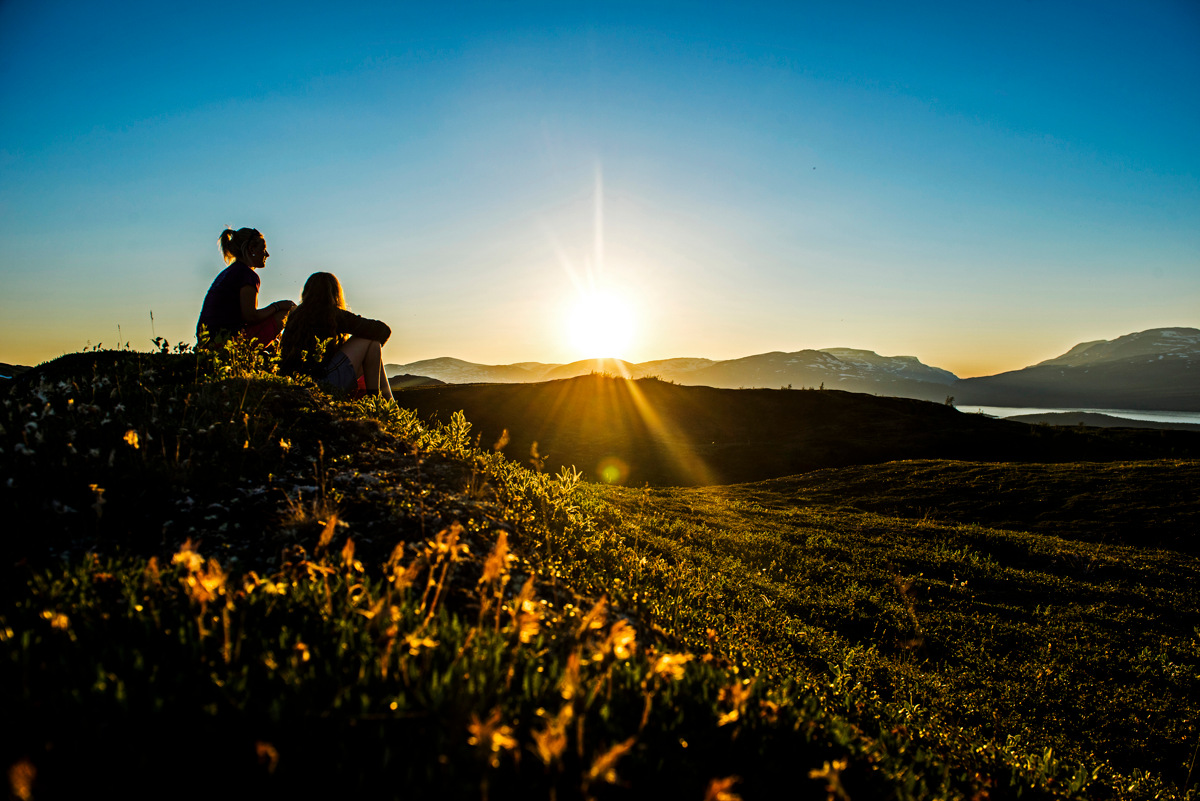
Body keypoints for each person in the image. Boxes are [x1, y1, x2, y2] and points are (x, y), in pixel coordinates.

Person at [279, 272, 394, 399]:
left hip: (296, 381)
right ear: (335, 293)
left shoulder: (296, 315)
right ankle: (379, 401)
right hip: (323, 383)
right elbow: (383, 330)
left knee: (372, 344)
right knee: (373, 343)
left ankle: (382, 401)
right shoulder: (331, 314)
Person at [196, 227, 295, 347]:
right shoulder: (247, 275)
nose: (267, 255)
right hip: (227, 341)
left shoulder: (229, 272)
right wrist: (278, 306)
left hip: (208, 340)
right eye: (263, 250)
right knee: (285, 314)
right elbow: (251, 316)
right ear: (251, 249)